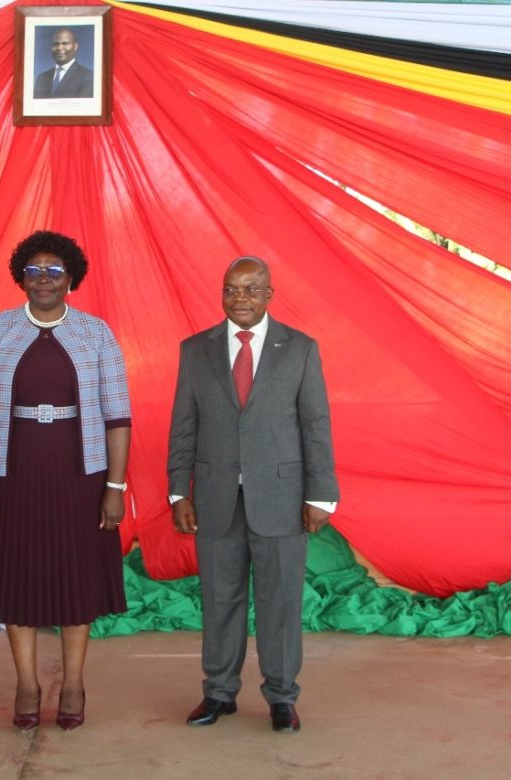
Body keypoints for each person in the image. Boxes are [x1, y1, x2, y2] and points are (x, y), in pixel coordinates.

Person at [0, 230, 131, 732]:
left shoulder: (96, 334)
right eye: (33, 270)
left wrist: (115, 487)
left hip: (81, 476)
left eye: (54, 270)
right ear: (21, 277)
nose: (43, 279)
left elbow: (118, 417)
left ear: (70, 278)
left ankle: (74, 683)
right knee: (20, 581)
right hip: (11, 478)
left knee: (76, 581)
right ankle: (26, 685)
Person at [167, 255, 338, 733]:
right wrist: (179, 491)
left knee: (280, 602)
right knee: (220, 600)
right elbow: (183, 426)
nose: (239, 297)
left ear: (268, 295)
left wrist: (322, 494)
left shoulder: (300, 349)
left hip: (282, 498)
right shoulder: (195, 350)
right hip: (215, 499)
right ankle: (219, 693)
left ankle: (281, 696)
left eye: (250, 289)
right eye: (231, 289)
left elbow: (316, 424)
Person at [33, 28, 94, 99]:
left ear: (75, 46)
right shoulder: (42, 78)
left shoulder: (88, 76)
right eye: (55, 44)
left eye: (65, 43)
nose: (59, 48)